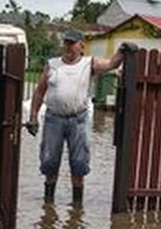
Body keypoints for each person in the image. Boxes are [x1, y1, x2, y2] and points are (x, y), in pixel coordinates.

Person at [25, 30, 136, 205]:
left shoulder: (89, 63)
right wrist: (33, 117)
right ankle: (48, 202)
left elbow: (112, 64)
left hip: (78, 120)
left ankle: (77, 205)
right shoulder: (52, 64)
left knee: (79, 163)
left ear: (81, 46)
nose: (68, 47)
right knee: (49, 161)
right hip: (53, 119)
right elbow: (39, 92)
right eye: (66, 43)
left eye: (72, 43)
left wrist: (122, 51)